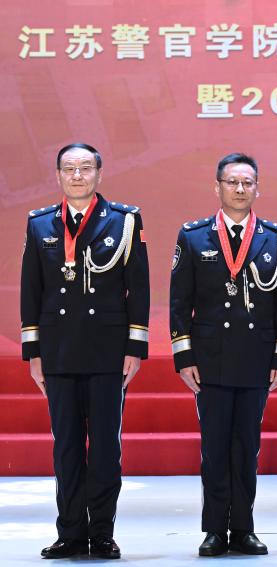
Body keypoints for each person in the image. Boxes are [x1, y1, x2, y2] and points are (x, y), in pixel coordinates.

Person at [21, 143, 150, 560]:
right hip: (58, 350)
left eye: (85, 168)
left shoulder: (125, 221)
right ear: (58, 175)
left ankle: (103, 533)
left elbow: (139, 288)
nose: (77, 176)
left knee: (106, 449)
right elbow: (31, 291)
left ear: (99, 173)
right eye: (69, 169)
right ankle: (71, 533)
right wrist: (33, 353)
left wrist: (135, 346)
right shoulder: (40, 223)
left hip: (108, 351)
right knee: (67, 447)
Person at [169, 153, 277, 556]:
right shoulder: (193, 236)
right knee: (214, 447)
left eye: (247, 183)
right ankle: (213, 530)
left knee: (246, 447)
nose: (240, 189)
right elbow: (179, 303)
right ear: (218, 187)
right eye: (232, 182)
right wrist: (184, 356)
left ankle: (243, 528)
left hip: (256, 358)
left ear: (258, 188)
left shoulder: (276, 238)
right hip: (210, 360)